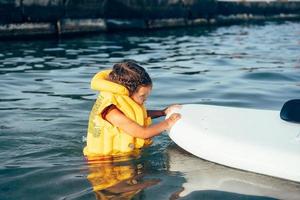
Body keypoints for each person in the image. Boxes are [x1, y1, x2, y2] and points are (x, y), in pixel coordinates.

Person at [83, 61, 181, 157]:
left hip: (123, 157)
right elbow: (143, 133)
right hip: (105, 163)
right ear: (126, 92)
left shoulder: (122, 105)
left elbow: (135, 117)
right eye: (142, 96)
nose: (145, 100)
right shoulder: (112, 113)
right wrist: (168, 122)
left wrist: (162, 112)